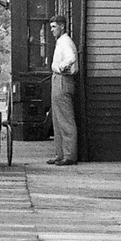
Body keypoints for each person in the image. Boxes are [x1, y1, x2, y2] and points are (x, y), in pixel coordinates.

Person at [46, 13, 78, 165]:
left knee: (65, 120)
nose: (51, 30)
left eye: (54, 27)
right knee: (58, 119)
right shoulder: (60, 42)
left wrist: (62, 67)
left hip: (63, 80)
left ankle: (69, 155)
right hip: (57, 79)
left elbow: (71, 58)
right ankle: (60, 154)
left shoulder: (65, 42)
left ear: (62, 26)